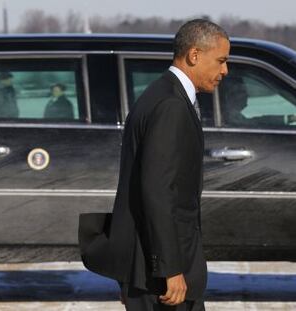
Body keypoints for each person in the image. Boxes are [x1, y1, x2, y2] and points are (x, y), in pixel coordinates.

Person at [79, 19, 230, 311]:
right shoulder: (170, 105)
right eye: (221, 61)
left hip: (152, 265)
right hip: (159, 274)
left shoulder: (160, 94)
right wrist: (170, 269)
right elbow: (157, 191)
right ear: (194, 55)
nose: (225, 70)